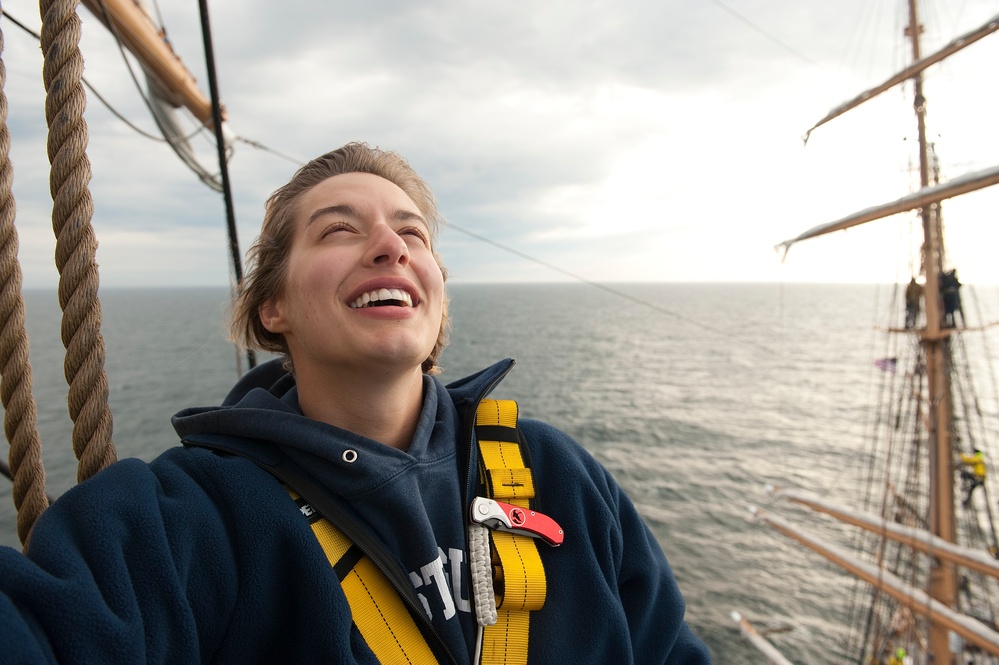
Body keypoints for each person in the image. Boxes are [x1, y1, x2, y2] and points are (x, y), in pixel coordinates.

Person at [0, 142, 710, 663]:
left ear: (433, 293)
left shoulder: (558, 474)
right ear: (272, 304)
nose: (388, 246)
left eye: (413, 234)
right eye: (339, 229)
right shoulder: (188, 520)